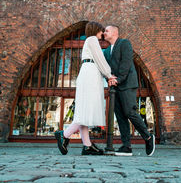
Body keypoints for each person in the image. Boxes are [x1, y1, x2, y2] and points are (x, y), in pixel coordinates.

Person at [55, 21, 115, 156]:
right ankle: (64, 134)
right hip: (90, 74)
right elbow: (100, 59)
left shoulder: (89, 41)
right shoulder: (93, 39)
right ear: (96, 30)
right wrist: (109, 74)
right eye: (101, 30)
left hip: (88, 73)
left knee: (85, 111)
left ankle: (87, 145)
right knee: (87, 109)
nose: (103, 33)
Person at [103, 25, 155, 156]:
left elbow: (126, 63)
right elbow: (105, 68)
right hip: (115, 87)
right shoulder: (107, 50)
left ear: (115, 33)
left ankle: (148, 137)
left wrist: (118, 79)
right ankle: (126, 146)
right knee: (120, 116)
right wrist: (109, 79)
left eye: (106, 31)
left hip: (127, 84)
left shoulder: (124, 43)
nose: (104, 33)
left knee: (129, 112)